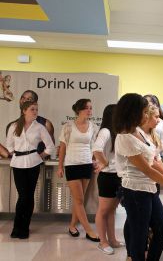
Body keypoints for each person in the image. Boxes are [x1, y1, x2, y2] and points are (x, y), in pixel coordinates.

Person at [114, 93, 163, 261]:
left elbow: (154, 160)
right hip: (135, 191)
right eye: (143, 111)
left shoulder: (139, 132)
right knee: (139, 237)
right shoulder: (124, 137)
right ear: (132, 112)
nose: (145, 115)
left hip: (148, 188)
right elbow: (147, 169)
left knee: (162, 230)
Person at [6, 101, 55, 239]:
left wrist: (40, 155)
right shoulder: (14, 126)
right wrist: (17, 153)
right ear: (24, 111)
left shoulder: (40, 127)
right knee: (23, 196)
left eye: (36, 109)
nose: (35, 111)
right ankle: (17, 226)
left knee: (29, 195)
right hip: (17, 164)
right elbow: (9, 146)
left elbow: (50, 147)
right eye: (32, 109)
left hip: (33, 163)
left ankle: (24, 227)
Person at [56, 99, 99, 242]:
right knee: (79, 199)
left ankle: (72, 226)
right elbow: (62, 147)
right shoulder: (68, 126)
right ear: (79, 110)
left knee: (79, 200)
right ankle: (89, 230)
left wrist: (95, 160)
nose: (90, 111)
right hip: (72, 165)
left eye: (91, 108)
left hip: (86, 165)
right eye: (87, 108)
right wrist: (60, 166)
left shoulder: (93, 127)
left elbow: (94, 147)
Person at [93, 104, 124, 255]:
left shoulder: (118, 131)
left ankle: (112, 239)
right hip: (107, 176)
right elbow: (96, 148)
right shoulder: (105, 131)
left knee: (112, 210)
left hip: (118, 176)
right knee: (103, 210)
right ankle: (102, 241)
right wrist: (104, 163)